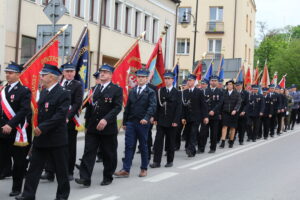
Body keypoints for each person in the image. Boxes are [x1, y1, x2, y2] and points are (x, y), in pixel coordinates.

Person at [17, 64, 71, 200]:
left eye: (43, 75)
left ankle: (62, 196)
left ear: (52, 77)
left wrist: (43, 127)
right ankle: (28, 195)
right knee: (34, 169)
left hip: (56, 139)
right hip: (41, 138)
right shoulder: (44, 92)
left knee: (61, 171)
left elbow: (60, 115)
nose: (40, 77)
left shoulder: (63, 93)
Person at [75, 64, 123, 187]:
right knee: (88, 152)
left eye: (105, 72)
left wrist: (106, 119)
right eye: (101, 71)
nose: (102, 74)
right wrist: (79, 108)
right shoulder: (94, 89)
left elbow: (117, 107)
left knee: (109, 153)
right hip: (92, 126)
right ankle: (85, 178)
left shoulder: (116, 89)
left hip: (107, 127)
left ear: (111, 75)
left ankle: (108, 176)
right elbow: (88, 104)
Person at [40, 63, 83, 182]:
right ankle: (49, 171)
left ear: (75, 73)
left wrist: (67, 116)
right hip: (56, 120)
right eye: (67, 71)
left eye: (72, 71)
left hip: (69, 120)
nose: (69, 73)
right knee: (51, 144)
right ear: (63, 73)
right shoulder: (57, 84)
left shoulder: (77, 85)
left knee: (69, 147)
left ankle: (69, 171)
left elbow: (77, 103)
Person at [114, 68, 156, 178]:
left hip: (143, 123)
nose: (140, 79)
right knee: (129, 146)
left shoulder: (150, 92)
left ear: (147, 79)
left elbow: (152, 107)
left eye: (143, 77)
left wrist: (146, 118)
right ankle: (126, 169)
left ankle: (144, 168)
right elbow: (127, 108)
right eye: (139, 77)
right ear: (136, 78)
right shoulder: (132, 91)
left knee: (143, 146)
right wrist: (124, 122)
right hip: (131, 123)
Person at [0, 62, 31, 197]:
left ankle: (17, 188)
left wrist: (10, 125)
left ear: (18, 75)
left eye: (10, 73)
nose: (8, 75)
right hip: (2, 130)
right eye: (6, 72)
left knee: (18, 162)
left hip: (16, 131)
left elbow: (24, 110)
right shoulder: (2, 89)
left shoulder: (24, 91)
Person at [150, 71, 182, 168]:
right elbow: (157, 106)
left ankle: (169, 160)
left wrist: (176, 121)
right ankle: (156, 161)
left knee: (170, 142)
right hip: (161, 120)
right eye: (166, 79)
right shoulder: (160, 91)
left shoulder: (177, 92)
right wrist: (155, 118)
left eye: (169, 79)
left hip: (172, 121)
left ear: (173, 80)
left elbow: (179, 108)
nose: (167, 80)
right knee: (158, 142)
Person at [181, 74, 209, 157]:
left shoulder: (199, 92)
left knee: (193, 133)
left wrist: (205, 116)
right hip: (187, 117)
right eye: (188, 80)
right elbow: (183, 106)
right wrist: (182, 117)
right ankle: (190, 148)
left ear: (194, 81)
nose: (189, 82)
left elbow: (203, 105)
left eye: (190, 80)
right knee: (189, 133)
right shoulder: (184, 92)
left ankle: (190, 149)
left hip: (197, 117)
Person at [198, 75, 223, 153]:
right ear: (209, 82)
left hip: (214, 116)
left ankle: (212, 148)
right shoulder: (205, 91)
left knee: (214, 133)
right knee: (203, 133)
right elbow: (203, 103)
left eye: (215, 81)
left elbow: (220, 103)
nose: (213, 82)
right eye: (212, 80)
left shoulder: (220, 92)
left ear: (218, 82)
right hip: (205, 115)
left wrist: (213, 111)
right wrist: (206, 112)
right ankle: (201, 148)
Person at [219, 80, 241, 148]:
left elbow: (239, 103)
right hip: (225, 112)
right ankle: (223, 142)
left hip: (234, 113)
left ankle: (231, 141)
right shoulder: (224, 93)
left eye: (230, 84)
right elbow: (221, 103)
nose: (229, 86)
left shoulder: (237, 93)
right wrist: (220, 112)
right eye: (228, 84)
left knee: (232, 128)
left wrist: (235, 110)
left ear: (233, 85)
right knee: (224, 126)